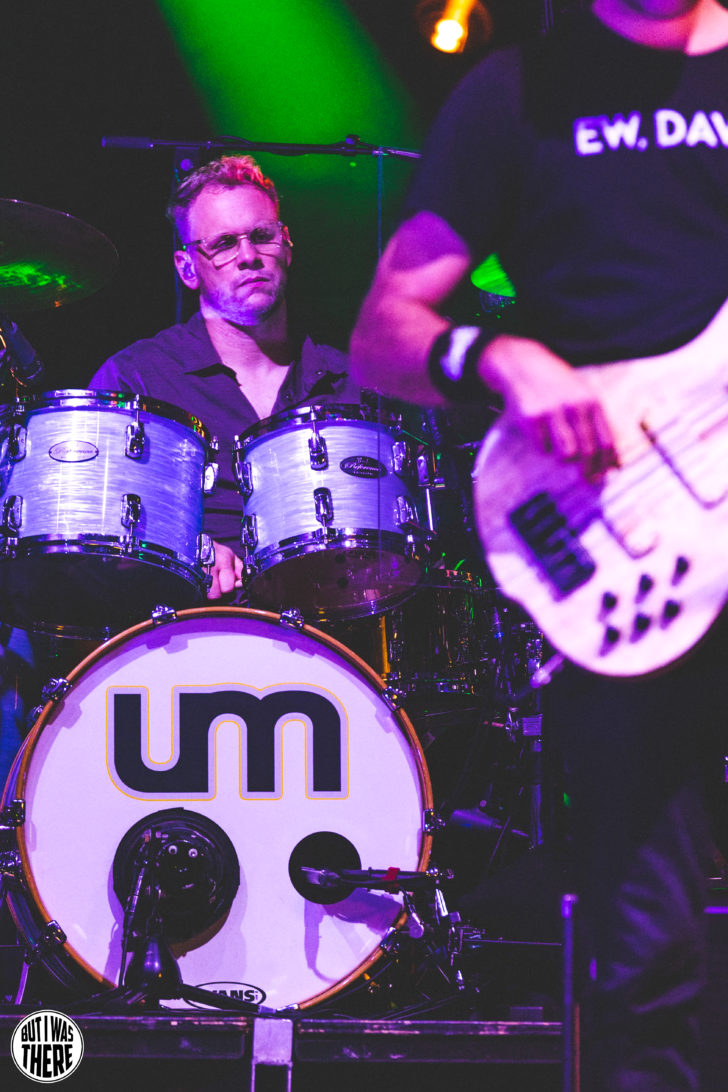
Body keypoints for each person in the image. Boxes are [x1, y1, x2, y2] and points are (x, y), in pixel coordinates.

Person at [350, 1, 728, 1089]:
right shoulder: (514, 93)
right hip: (620, 539)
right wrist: (497, 357)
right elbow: (383, 333)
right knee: (646, 955)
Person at [89, 154, 361, 599]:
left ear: (287, 246)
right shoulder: (137, 379)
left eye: (262, 236)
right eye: (224, 244)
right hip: (187, 626)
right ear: (187, 268)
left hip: (330, 625)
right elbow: (90, 521)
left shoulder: (349, 382)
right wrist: (183, 547)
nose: (248, 256)